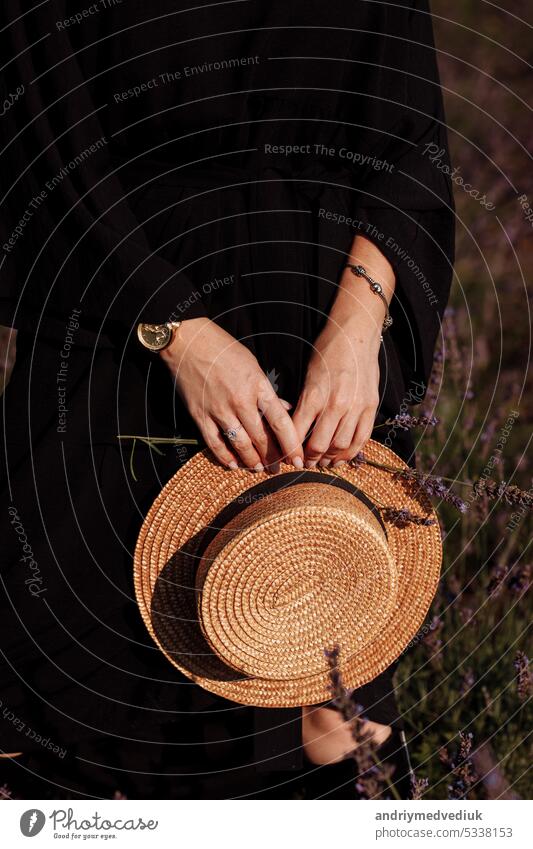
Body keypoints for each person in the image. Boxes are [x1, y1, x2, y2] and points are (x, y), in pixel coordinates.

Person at [0, 0, 454, 798]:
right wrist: (176, 329)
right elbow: (38, 141)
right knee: (61, 679)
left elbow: (410, 142)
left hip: (325, 331)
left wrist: (357, 333)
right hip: (110, 312)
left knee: (325, 707)